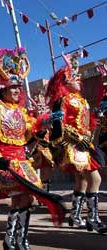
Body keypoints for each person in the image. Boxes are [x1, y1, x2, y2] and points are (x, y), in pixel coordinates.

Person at [0, 47, 65, 250]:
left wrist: (45, 123)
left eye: (18, 87)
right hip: (6, 162)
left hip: (23, 162)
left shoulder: (21, 112)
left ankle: (16, 239)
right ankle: (15, 239)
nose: (16, 91)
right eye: (12, 87)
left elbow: (29, 135)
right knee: (21, 198)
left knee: (26, 199)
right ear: (3, 89)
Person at [46, 52, 107, 234]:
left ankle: (76, 215)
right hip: (75, 145)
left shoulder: (81, 100)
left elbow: (87, 121)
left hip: (84, 144)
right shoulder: (63, 100)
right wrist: (79, 139)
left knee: (81, 182)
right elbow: (59, 125)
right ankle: (93, 219)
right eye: (75, 77)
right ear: (65, 82)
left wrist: (98, 114)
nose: (79, 79)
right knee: (95, 179)